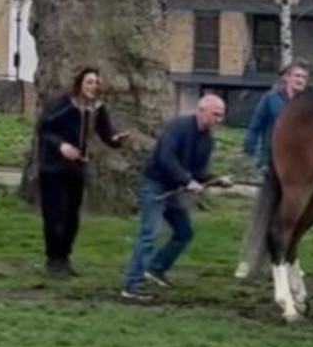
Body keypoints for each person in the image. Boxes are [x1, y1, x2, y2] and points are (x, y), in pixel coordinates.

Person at [120, 94, 231, 301]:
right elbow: (166, 157)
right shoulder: (178, 127)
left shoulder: (207, 140)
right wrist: (187, 180)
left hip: (173, 189)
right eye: (215, 114)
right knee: (148, 235)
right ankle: (131, 285)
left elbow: (199, 171)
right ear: (201, 110)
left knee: (184, 232)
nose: (219, 119)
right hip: (154, 186)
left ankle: (156, 269)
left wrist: (217, 180)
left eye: (221, 115)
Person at [35, 67, 130, 277]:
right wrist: (61, 146)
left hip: (77, 167)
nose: (93, 86)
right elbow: (43, 129)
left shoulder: (97, 108)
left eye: (96, 82)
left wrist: (116, 140)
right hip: (53, 168)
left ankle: (65, 258)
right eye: (89, 82)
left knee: (71, 217)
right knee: (55, 215)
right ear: (79, 83)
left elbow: (106, 133)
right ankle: (53, 260)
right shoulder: (63, 104)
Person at [235, 63, 308, 279]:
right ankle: (248, 261)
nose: (301, 80)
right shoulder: (271, 99)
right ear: (285, 77)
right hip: (273, 162)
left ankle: (288, 261)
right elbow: (256, 125)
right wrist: (250, 150)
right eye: (297, 75)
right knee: (264, 212)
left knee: (291, 216)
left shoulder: (306, 104)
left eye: (304, 76)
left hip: (299, 168)